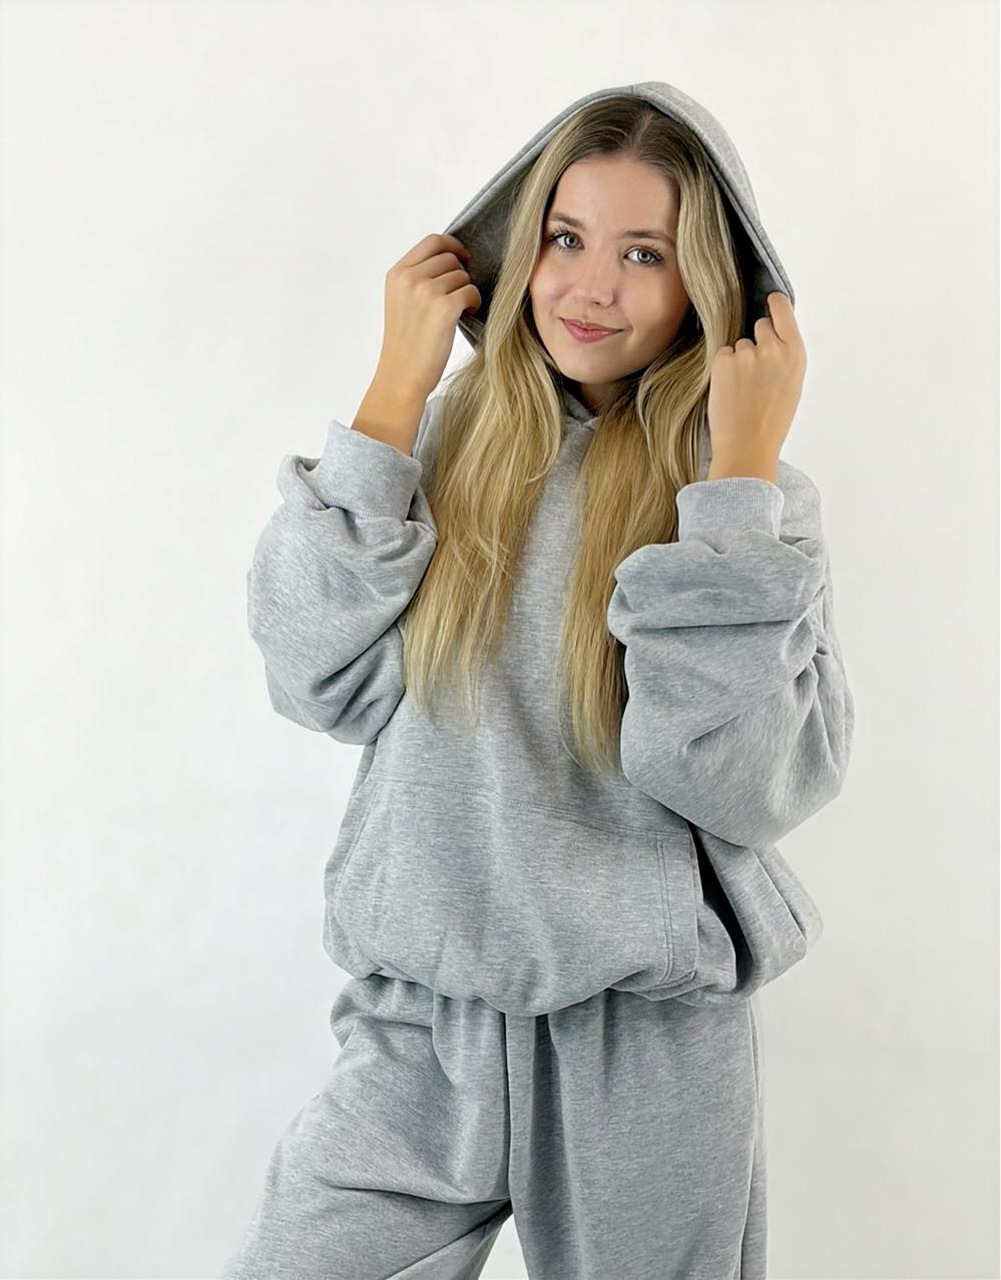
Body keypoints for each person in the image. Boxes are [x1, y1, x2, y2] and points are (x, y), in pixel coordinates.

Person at [220, 79, 855, 1280]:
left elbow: (741, 781)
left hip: (646, 1038)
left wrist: (735, 478)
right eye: (564, 238)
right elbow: (313, 677)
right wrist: (393, 392)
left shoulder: (748, 503)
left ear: (704, 287)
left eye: (642, 253)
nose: (588, 286)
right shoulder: (441, 448)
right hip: (421, 1026)